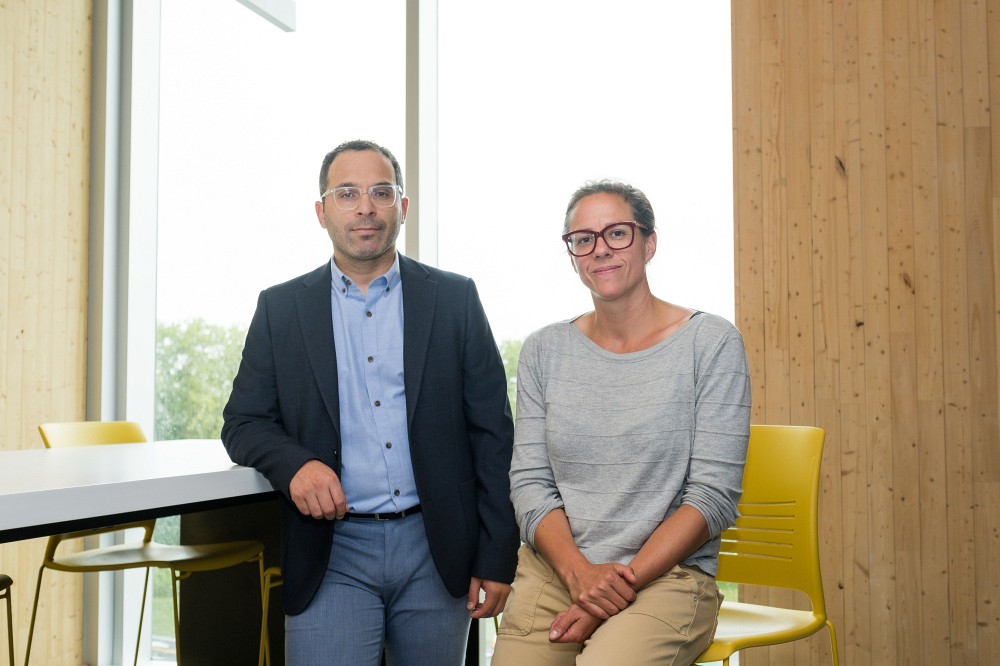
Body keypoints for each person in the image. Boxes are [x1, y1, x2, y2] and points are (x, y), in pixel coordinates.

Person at [221, 139, 519, 665]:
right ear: (322, 211)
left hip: (438, 549)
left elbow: (493, 435)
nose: (365, 207)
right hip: (331, 551)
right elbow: (243, 421)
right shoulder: (280, 309)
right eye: (347, 193)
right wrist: (296, 466)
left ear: (402, 208)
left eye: (381, 192)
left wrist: (497, 556)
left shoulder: (454, 300)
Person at [491, 180, 751, 665]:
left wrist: (606, 593)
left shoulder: (711, 343)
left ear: (649, 243)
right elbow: (529, 483)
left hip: (666, 578)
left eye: (617, 233)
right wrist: (578, 576)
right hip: (557, 571)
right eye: (583, 239)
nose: (600, 249)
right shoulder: (544, 350)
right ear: (572, 254)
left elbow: (712, 495)